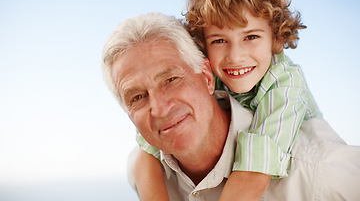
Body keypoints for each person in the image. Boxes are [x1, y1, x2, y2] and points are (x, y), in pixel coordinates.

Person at [102, 12, 360, 201]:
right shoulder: (141, 169)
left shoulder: (323, 173)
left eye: (171, 79)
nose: (159, 108)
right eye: (137, 97)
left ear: (206, 77)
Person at [134, 0, 322, 200]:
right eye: (219, 40)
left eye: (251, 36)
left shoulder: (285, 84)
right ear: (202, 44)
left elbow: (254, 170)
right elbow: (147, 151)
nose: (235, 57)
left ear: (276, 36)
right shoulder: (206, 72)